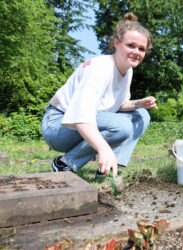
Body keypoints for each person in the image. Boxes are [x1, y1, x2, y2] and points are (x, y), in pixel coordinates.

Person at [41, 13, 158, 178]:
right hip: (57, 126)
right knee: (122, 126)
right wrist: (103, 148)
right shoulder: (100, 69)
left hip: (80, 121)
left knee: (142, 116)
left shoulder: (127, 70)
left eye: (141, 49)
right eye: (130, 45)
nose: (136, 52)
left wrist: (140, 103)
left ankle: (109, 168)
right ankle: (65, 163)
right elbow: (81, 117)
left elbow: (118, 105)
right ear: (116, 43)